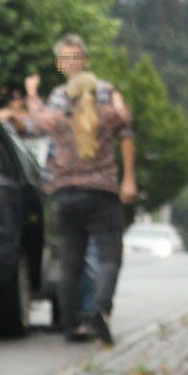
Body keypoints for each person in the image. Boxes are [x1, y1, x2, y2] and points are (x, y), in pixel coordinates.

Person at [26, 67, 134, 347]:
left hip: (66, 196)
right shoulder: (107, 117)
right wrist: (117, 98)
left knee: (70, 263)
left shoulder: (60, 121)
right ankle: (100, 308)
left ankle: (70, 323)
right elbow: (125, 118)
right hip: (102, 195)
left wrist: (32, 93)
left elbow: (37, 120)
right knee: (110, 258)